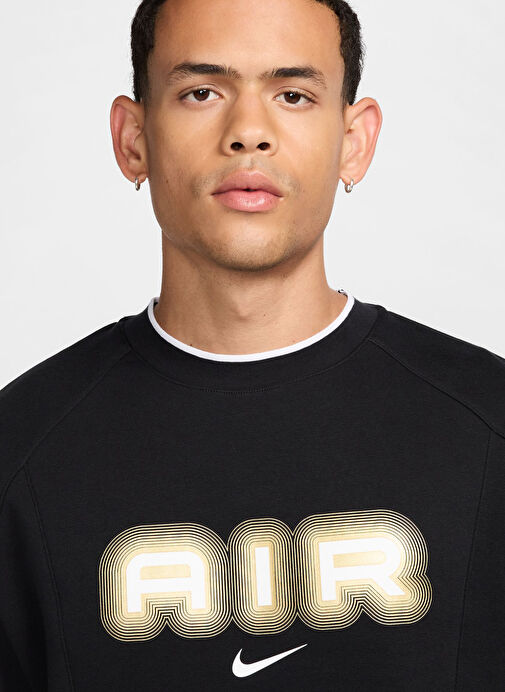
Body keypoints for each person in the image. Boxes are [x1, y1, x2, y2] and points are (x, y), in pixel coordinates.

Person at [1, 0, 504, 689]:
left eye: (292, 95)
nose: (247, 133)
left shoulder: (489, 428)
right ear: (133, 139)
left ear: (354, 141)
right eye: (201, 92)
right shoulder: (19, 453)